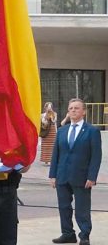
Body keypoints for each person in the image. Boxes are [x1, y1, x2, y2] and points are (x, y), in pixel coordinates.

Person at [50, 98, 102, 245]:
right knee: (64, 207)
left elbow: (96, 156)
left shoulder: (92, 131)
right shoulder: (61, 131)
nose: (73, 110)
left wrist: (92, 177)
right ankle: (67, 234)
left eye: (77, 108)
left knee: (82, 209)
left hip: (82, 177)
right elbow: (56, 155)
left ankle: (84, 235)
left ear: (83, 112)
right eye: (71, 108)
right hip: (62, 175)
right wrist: (53, 175)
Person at [40, 102, 58, 166]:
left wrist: (51, 114)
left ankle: (51, 160)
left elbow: (54, 121)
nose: (49, 108)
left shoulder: (54, 114)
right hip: (45, 132)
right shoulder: (42, 115)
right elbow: (43, 122)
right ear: (45, 107)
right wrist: (46, 115)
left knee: (52, 146)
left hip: (52, 132)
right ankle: (46, 160)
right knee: (45, 146)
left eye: (50, 106)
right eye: (48, 107)